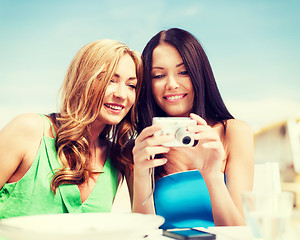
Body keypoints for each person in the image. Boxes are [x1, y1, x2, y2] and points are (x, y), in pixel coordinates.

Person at [0, 39, 142, 219]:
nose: (121, 94)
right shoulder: (28, 130)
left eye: (131, 85)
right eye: (109, 80)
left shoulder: (117, 159)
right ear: (83, 81)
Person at [130, 28, 254, 229]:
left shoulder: (234, 132)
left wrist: (212, 176)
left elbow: (239, 232)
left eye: (183, 72)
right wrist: (142, 175)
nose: (171, 84)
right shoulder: (142, 147)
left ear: (199, 74)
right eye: (159, 75)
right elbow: (143, 233)